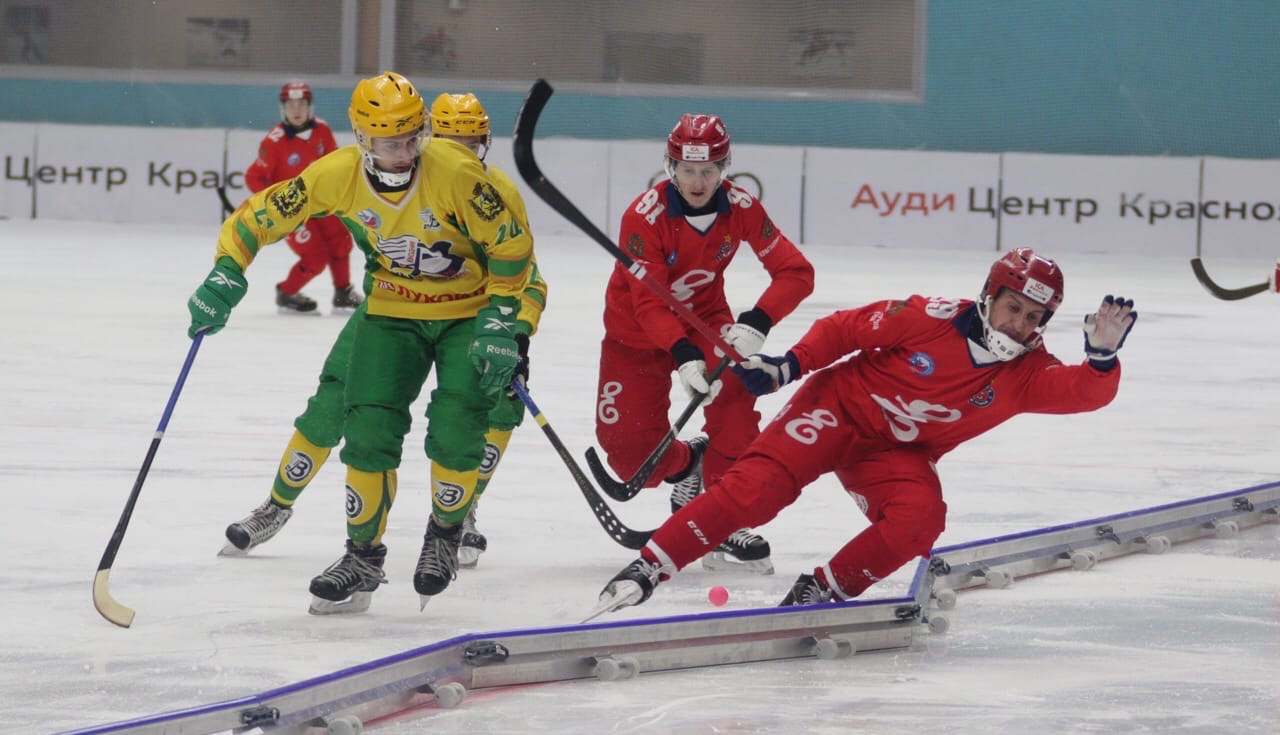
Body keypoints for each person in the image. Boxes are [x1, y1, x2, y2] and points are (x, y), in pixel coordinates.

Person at [595, 248, 1138, 612]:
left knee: (921, 521)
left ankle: (823, 591)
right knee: (755, 491)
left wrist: (1101, 358)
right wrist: (790, 365)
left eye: (1031, 318)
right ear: (989, 296)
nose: (1017, 325)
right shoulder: (931, 316)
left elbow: (1084, 392)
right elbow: (846, 327)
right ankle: (648, 568)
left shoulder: (1027, 373)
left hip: (896, 453)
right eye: (1012, 308)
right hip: (838, 410)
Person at [187, 73, 535, 615]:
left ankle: (445, 533)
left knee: (458, 424)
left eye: (410, 139)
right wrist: (228, 270)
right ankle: (362, 555)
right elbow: (260, 215)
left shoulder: (458, 174)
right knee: (367, 426)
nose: (401, 154)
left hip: (466, 312)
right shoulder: (338, 174)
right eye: (386, 142)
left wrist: (505, 319)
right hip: (391, 310)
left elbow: (512, 247)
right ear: (361, 138)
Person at [594, 113, 814, 574]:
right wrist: (683, 357)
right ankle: (689, 464)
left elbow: (797, 272)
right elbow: (648, 304)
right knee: (633, 459)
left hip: (706, 322)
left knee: (736, 396)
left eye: (709, 171)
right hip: (635, 335)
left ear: (725, 167)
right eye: (688, 170)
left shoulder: (743, 208)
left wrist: (757, 321)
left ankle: (723, 515)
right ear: (671, 166)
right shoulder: (643, 216)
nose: (698, 181)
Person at [243, 79, 360, 314]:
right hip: (292, 210)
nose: (296, 110)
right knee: (315, 258)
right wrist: (275, 206)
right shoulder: (273, 142)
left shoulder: (322, 130)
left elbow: (334, 165)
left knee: (341, 242)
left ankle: (343, 292)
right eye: (291, 105)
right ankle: (286, 293)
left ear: (310, 106)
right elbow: (253, 177)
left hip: (322, 202)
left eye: (301, 104)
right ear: (283, 108)